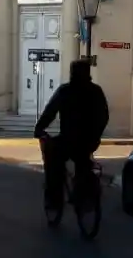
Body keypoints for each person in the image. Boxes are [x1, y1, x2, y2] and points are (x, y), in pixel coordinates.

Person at [34, 59, 110, 210]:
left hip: (68, 140)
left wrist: (39, 128)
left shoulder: (65, 90)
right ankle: (82, 190)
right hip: (90, 141)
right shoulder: (96, 90)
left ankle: (54, 198)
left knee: (53, 161)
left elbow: (50, 112)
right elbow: (104, 116)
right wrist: (96, 134)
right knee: (83, 161)